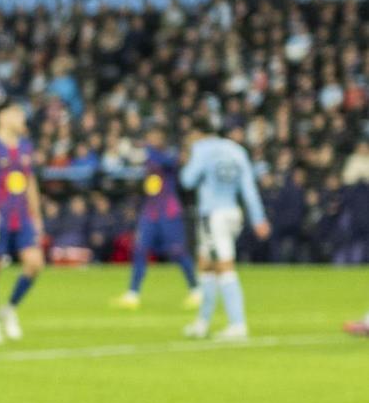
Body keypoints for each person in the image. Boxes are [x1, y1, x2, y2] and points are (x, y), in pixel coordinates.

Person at [181, 120, 270, 340]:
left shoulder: (203, 149)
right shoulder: (238, 152)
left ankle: (238, 324)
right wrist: (258, 218)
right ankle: (202, 323)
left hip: (213, 215)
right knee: (207, 266)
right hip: (233, 212)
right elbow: (249, 189)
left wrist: (188, 161)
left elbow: (187, 180)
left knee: (224, 267)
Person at [0, 106, 45, 345]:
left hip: (23, 216)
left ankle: (10, 307)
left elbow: (30, 182)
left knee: (35, 263)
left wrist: (36, 216)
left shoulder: (26, 146)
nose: (21, 118)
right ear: (2, 117)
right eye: (17, 114)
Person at [115, 127, 202, 309]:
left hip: (169, 211)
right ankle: (133, 294)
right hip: (150, 211)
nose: (152, 139)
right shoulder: (149, 156)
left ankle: (196, 290)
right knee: (139, 249)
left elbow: (172, 162)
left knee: (178, 252)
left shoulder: (165, 155)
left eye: (155, 136)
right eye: (150, 136)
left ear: (162, 138)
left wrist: (146, 152)